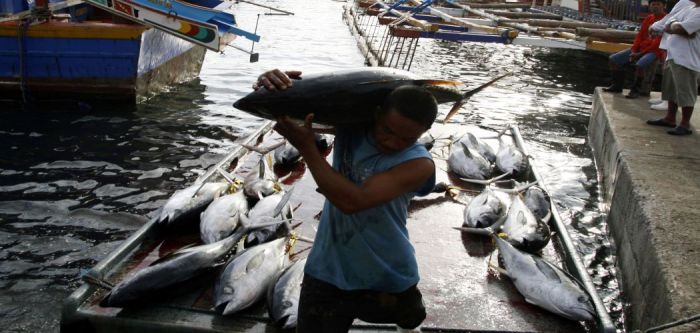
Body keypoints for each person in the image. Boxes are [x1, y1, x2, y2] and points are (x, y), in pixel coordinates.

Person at [253, 69, 437, 332]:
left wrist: (307, 148)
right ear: (376, 114)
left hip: (386, 270)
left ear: (424, 133)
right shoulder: (351, 127)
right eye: (387, 130)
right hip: (328, 269)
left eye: (407, 138)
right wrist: (272, 85)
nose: (392, 142)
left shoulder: (419, 164)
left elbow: (352, 202)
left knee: (411, 318)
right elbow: (296, 110)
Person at [646, 0, 700, 135]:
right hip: (673, 55)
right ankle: (670, 118)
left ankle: (685, 124)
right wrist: (674, 26)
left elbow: (680, 28)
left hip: (687, 58)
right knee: (671, 90)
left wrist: (674, 27)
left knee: (686, 91)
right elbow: (671, 22)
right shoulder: (689, 7)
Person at [603, 0, 667, 98]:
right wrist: (633, 50)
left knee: (640, 64)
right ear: (650, 6)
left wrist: (639, 54)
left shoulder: (667, 20)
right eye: (653, 4)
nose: (655, 6)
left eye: (658, 4)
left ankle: (635, 90)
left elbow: (658, 43)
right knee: (613, 60)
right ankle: (617, 86)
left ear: (664, 6)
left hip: (655, 51)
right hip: (640, 49)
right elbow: (639, 36)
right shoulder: (649, 18)